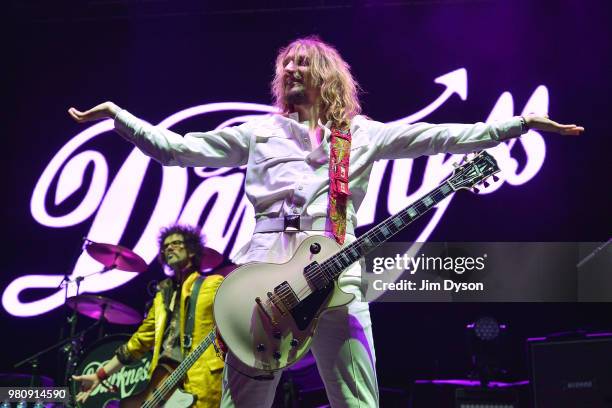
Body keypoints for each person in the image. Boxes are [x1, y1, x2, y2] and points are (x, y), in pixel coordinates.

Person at [68, 36, 583, 407]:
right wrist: (118, 115)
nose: (290, 70)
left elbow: (440, 136)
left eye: (302, 63)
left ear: (326, 76)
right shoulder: (259, 133)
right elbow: (177, 151)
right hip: (261, 281)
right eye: (285, 64)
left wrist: (517, 124)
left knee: (357, 400)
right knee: (245, 400)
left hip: (338, 277)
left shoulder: (360, 134)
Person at [72, 225, 224, 408]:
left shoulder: (212, 285)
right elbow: (139, 341)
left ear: (191, 250)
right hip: (162, 385)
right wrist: (100, 374)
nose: (169, 248)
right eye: (166, 246)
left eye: (176, 243)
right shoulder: (162, 296)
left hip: (201, 381)